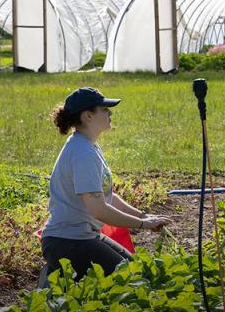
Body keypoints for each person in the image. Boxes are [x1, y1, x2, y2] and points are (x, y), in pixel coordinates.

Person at [42, 87, 170, 281]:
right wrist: (143, 224)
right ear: (88, 116)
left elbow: (108, 198)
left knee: (137, 272)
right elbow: (100, 210)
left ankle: (56, 280)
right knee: (130, 280)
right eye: (104, 109)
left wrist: (144, 216)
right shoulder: (83, 153)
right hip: (67, 242)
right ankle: (53, 280)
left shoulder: (88, 146)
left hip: (83, 236)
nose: (110, 113)